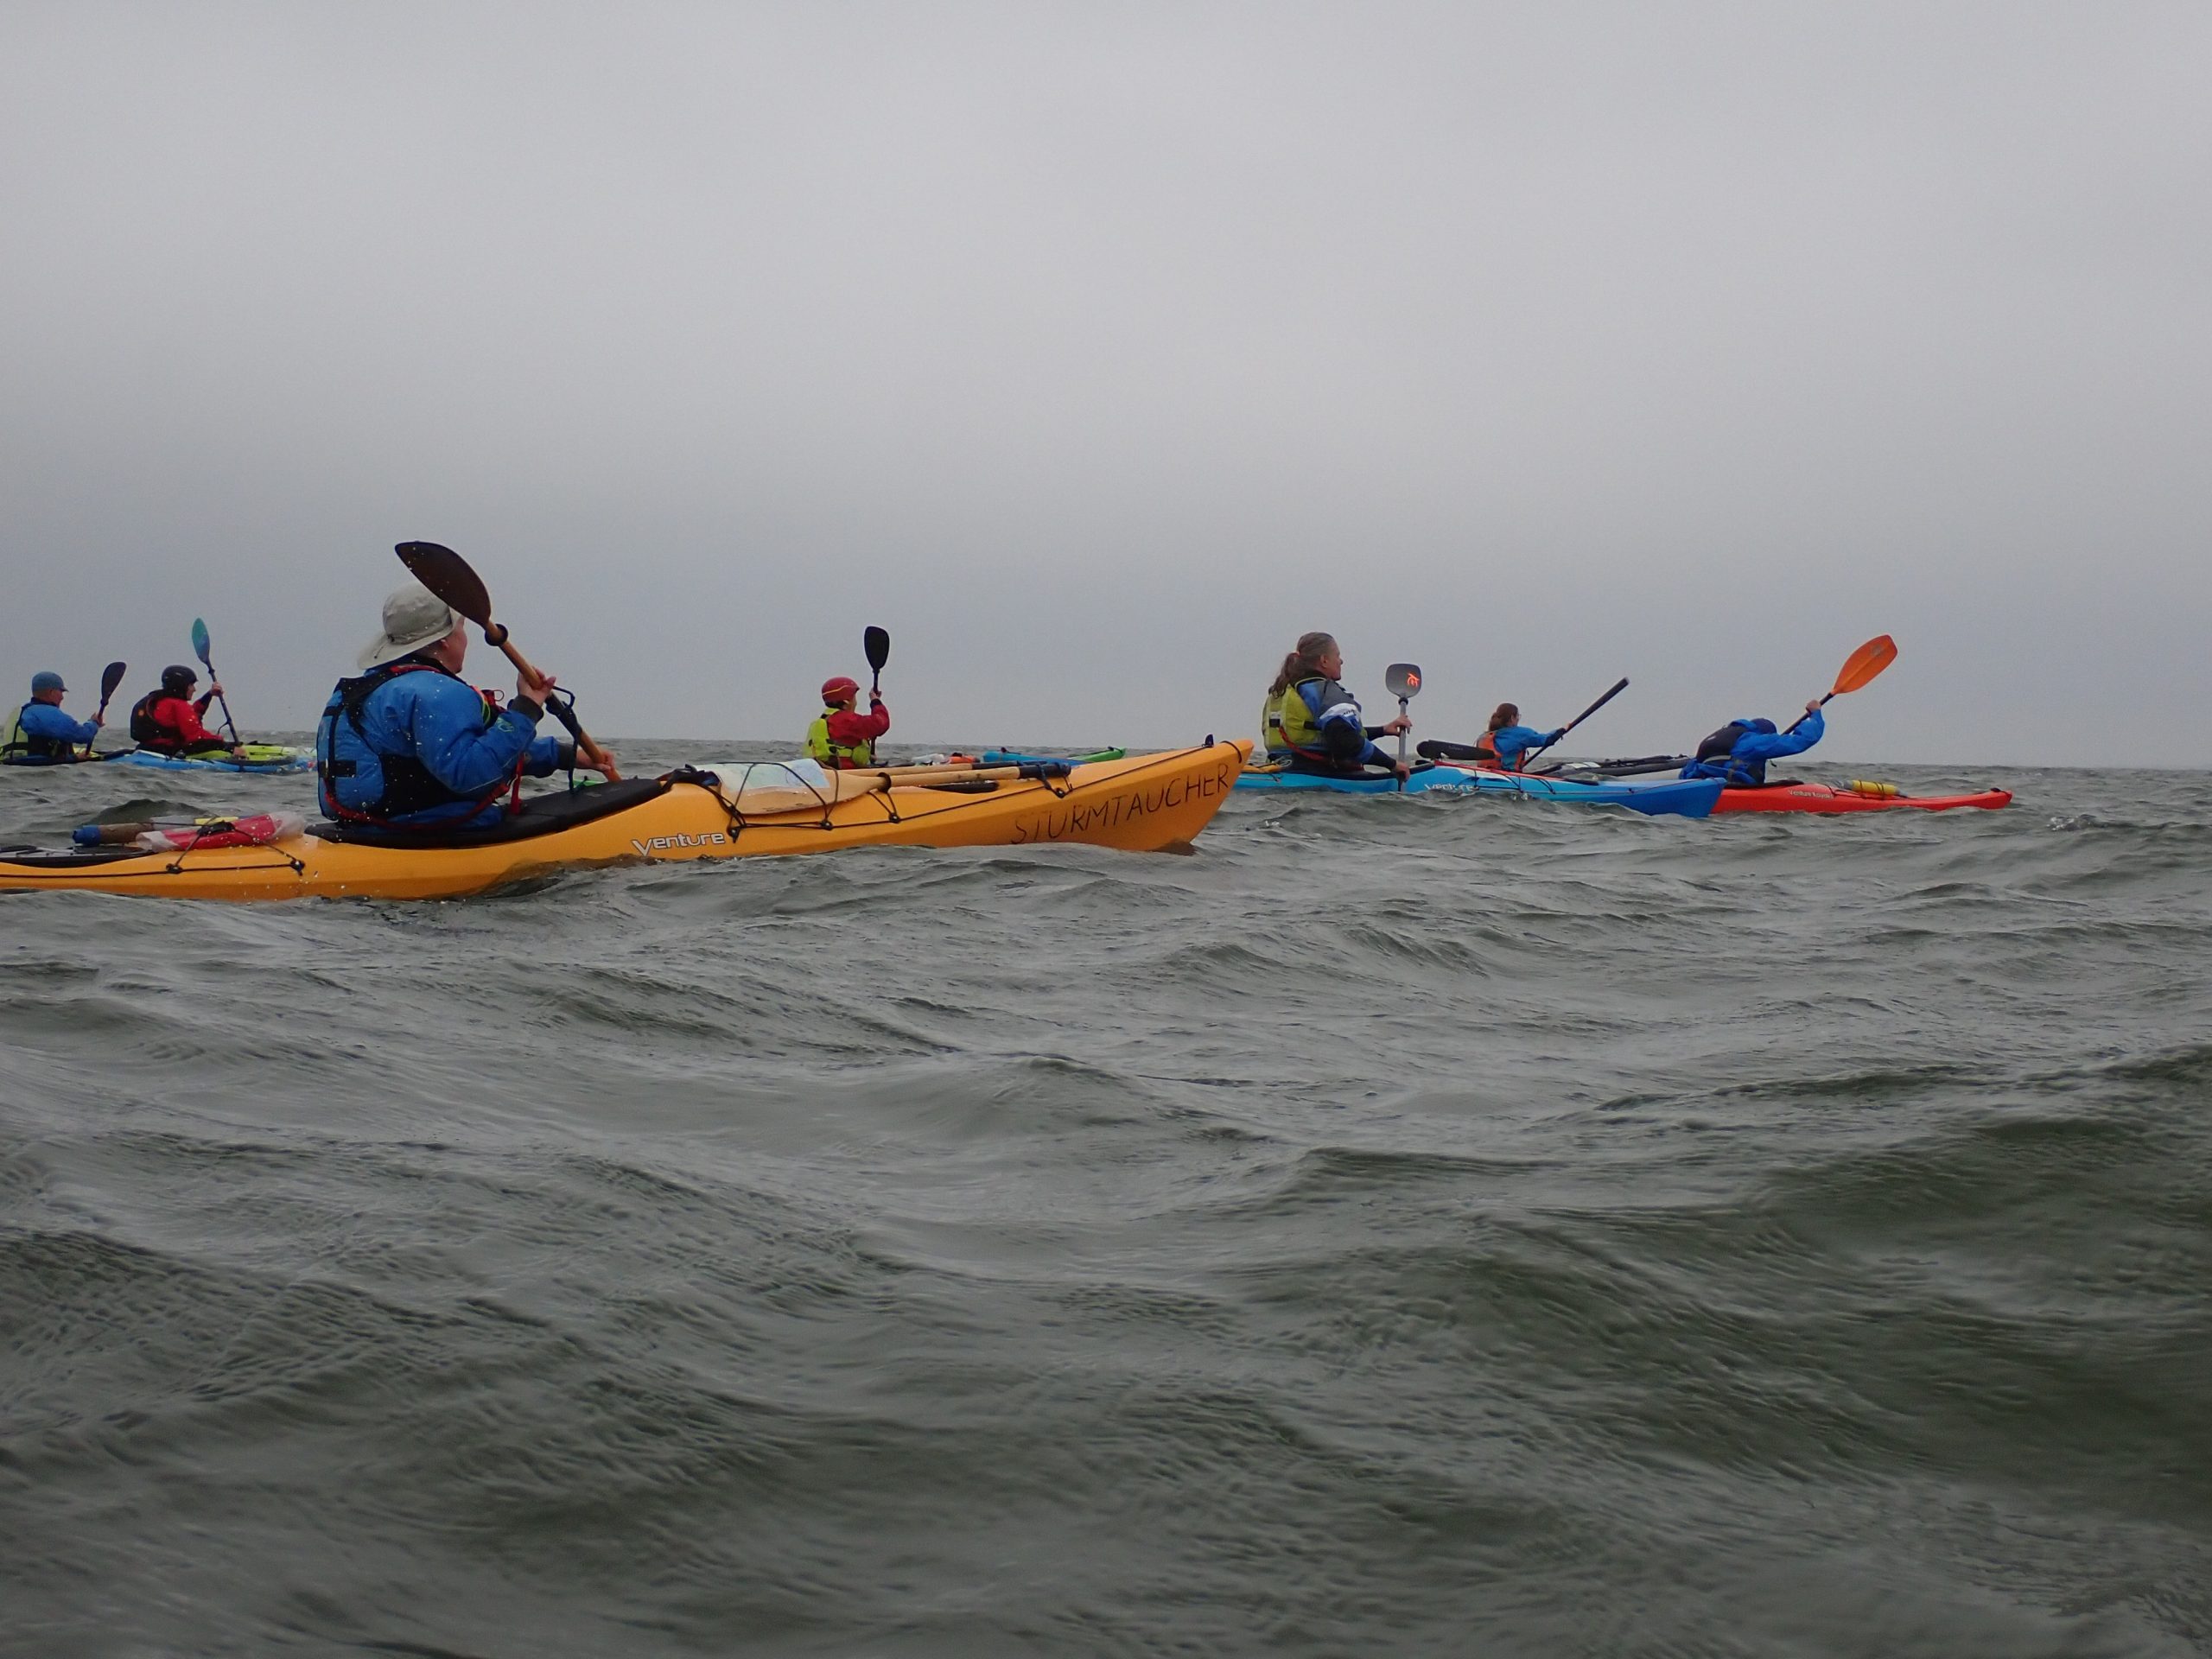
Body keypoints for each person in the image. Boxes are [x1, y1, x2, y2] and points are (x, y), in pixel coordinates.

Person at [316, 582, 617, 830]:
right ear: (446, 640)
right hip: (431, 830)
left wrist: (566, 756)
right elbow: (473, 776)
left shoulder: (370, 688)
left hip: (368, 828)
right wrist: (527, 707)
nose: (465, 638)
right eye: (461, 628)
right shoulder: (437, 692)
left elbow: (470, 749)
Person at [1260, 632, 1412, 779]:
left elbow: (1325, 732)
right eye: (1337, 656)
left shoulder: (1282, 690)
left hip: (1283, 769)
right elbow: (1344, 739)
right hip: (1321, 776)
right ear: (1324, 660)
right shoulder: (1326, 691)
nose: (1341, 661)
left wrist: (1383, 730)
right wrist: (1392, 764)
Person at [1680, 702, 1826, 786]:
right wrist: (1815, 714)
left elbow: (1688, 770)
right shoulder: (1753, 742)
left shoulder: (1718, 737)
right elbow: (1805, 740)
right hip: (1730, 790)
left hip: (1702, 784)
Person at [128, 665, 244, 760]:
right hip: (167, 752)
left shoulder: (160, 700)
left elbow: (193, 714)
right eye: (191, 685)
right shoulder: (179, 705)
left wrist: (209, 695)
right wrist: (228, 747)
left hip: (146, 749)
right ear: (181, 686)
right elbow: (195, 741)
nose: (194, 689)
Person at [2, 671, 102, 765]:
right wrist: (94, 723)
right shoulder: (46, 713)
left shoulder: (20, 711)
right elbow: (83, 735)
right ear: (51, 692)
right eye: (61, 691)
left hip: (11, 764)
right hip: (34, 766)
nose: (62, 697)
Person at [805, 675, 891, 769]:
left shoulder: (826, 719)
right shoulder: (845, 721)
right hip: (845, 774)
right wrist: (875, 701)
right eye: (854, 698)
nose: (856, 702)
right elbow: (880, 723)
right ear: (846, 701)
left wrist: (867, 756)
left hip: (829, 771)